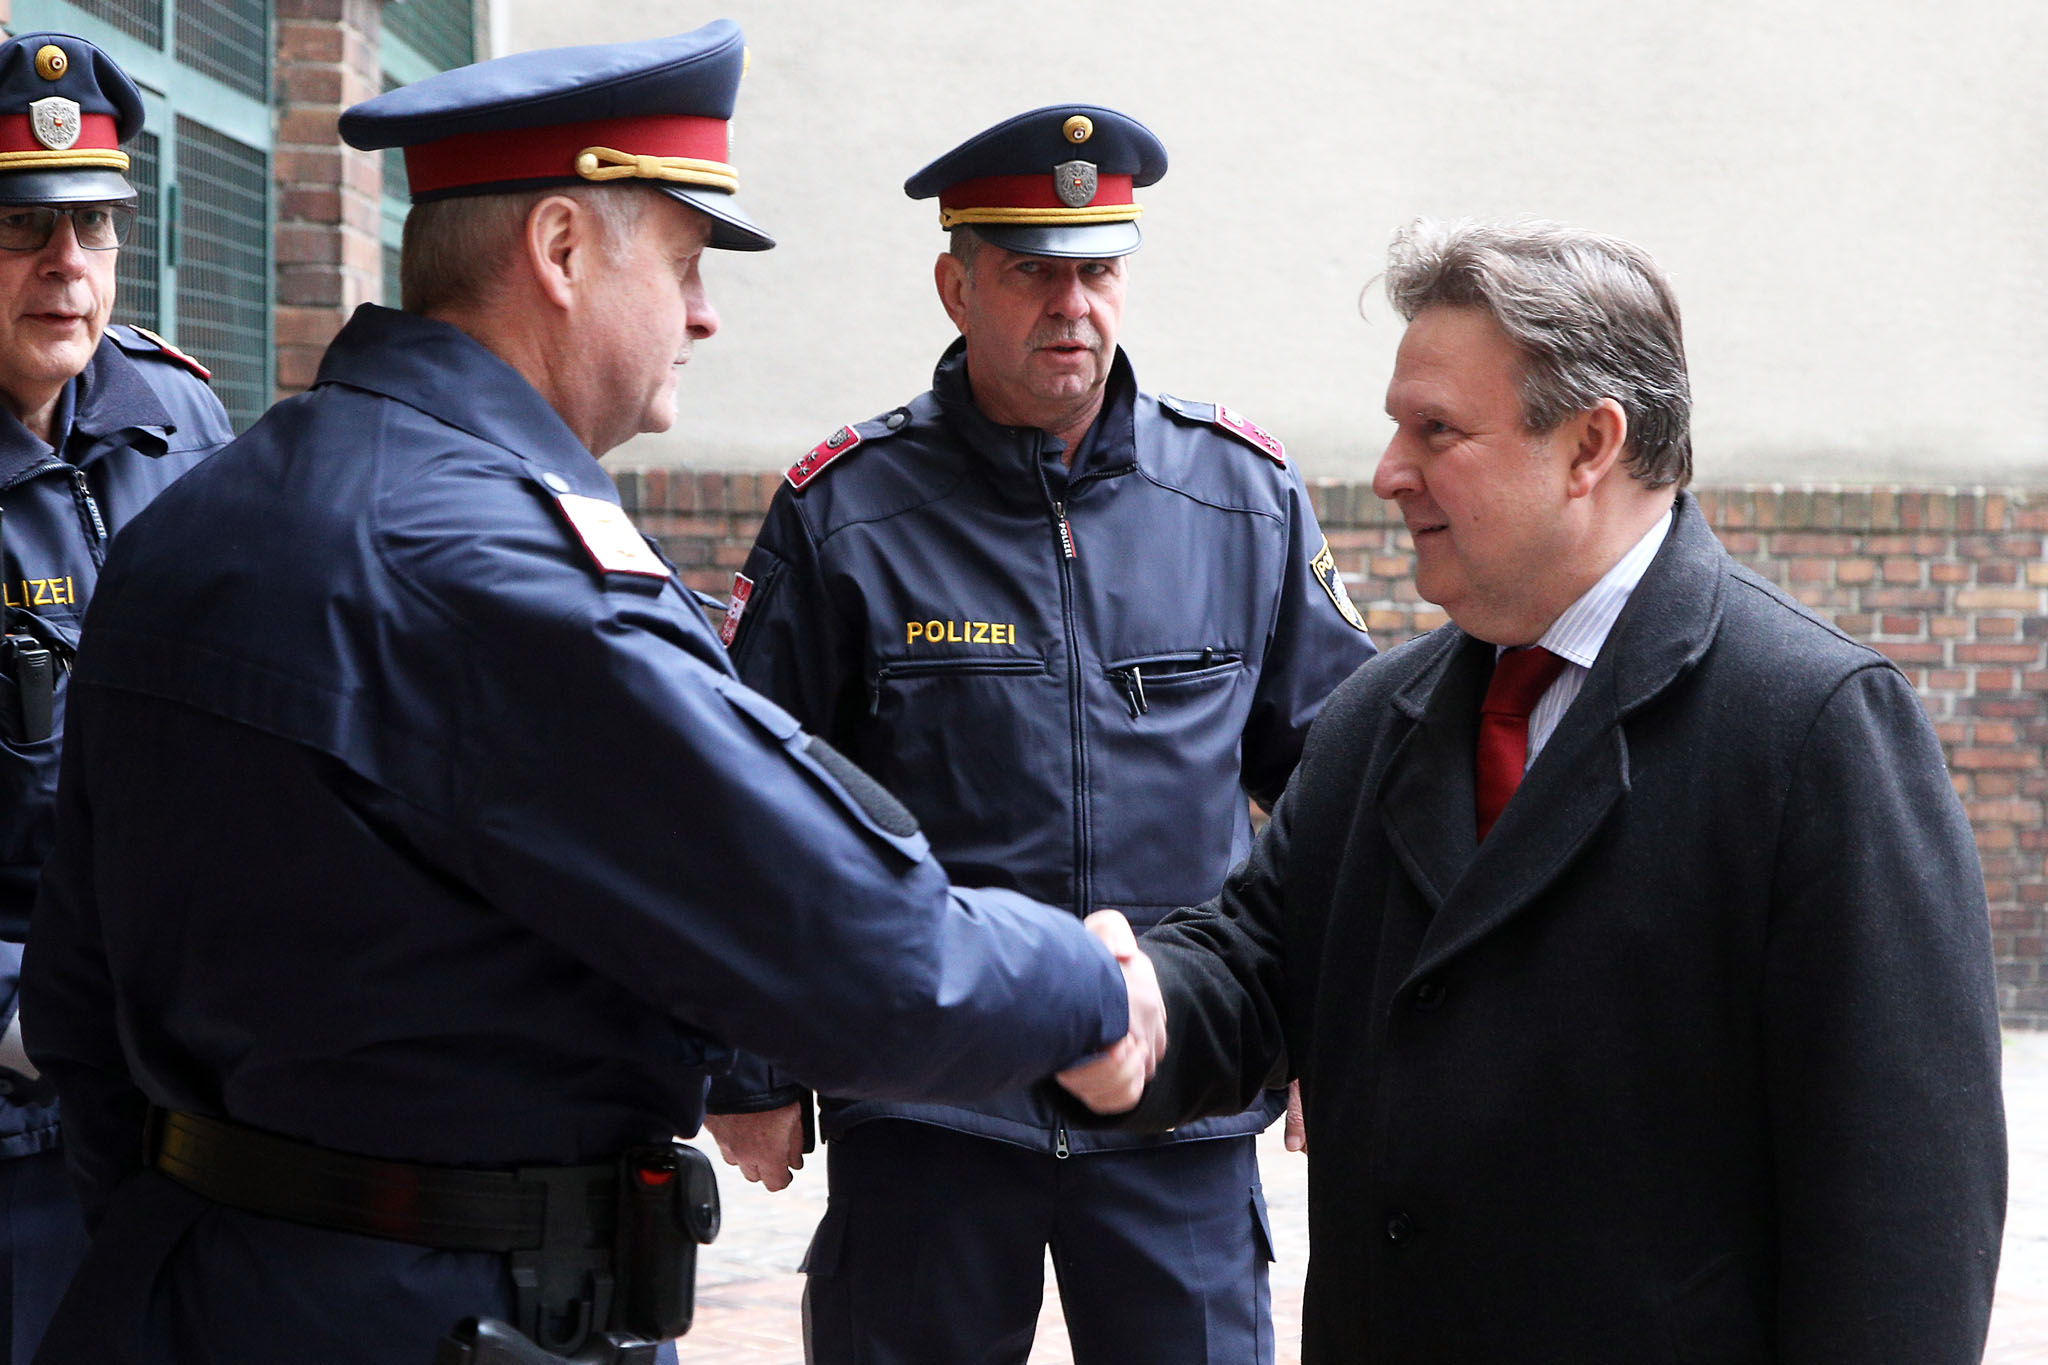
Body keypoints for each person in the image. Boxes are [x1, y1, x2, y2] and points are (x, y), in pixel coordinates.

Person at [19, 27, 1163, 1365]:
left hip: (195, 1284)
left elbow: (80, 1011)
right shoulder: (502, 573)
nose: (704, 314)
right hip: (457, 1313)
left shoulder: (205, 512)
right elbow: (844, 939)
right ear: (560, 251)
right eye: (681, 262)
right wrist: (1083, 991)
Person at [1059, 217, 2008, 1362]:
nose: (1386, 472)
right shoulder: (1379, 716)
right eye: (1394, 427)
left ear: (1588, 446)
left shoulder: (1809, 726)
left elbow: (1901, 1209)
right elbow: (1257, 959)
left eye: (1436, 430)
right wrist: (1132, 1001)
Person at [718, 104, 1376, 1364]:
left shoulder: (1239, 497)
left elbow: (1333, 785)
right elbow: (754, 805)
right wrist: (746, 1069)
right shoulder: (844, 516)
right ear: (954, 284)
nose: (1071, 305)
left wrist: (1327, 1029)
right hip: (926, 1103)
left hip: (1177, 1094)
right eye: (1031, 272)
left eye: (1098, 269)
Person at [0, 31, 231, 1365]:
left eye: (91, 223)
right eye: (24, 226)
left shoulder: (176, 420)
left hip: (185, 1098)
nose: (65, 265)